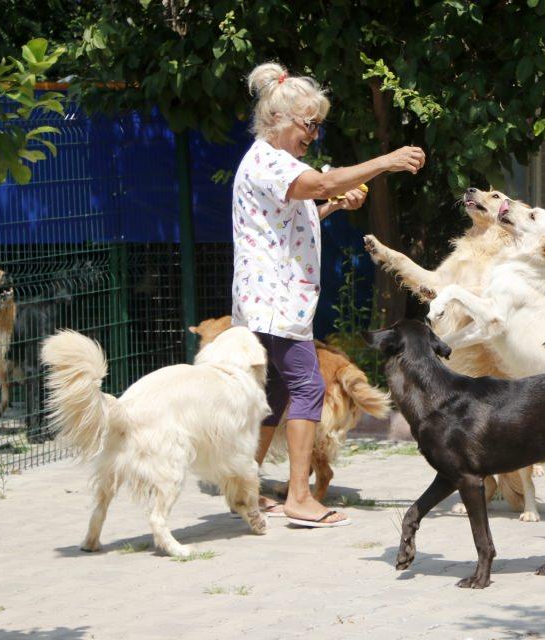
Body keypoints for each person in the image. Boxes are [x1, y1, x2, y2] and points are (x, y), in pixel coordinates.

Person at [232, 61, 425, 527]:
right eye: (308, 123)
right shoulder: (270, 161)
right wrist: (385, 162)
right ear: (279, 120)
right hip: (274, 301)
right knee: (307, 385)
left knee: (278, 390)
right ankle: (298, 496)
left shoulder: (271, 161)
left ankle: (244, 488)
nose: (314, 134)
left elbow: (295, 221)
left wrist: (334, 205)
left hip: (268, 300)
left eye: (318, 124)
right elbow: (316, 182)